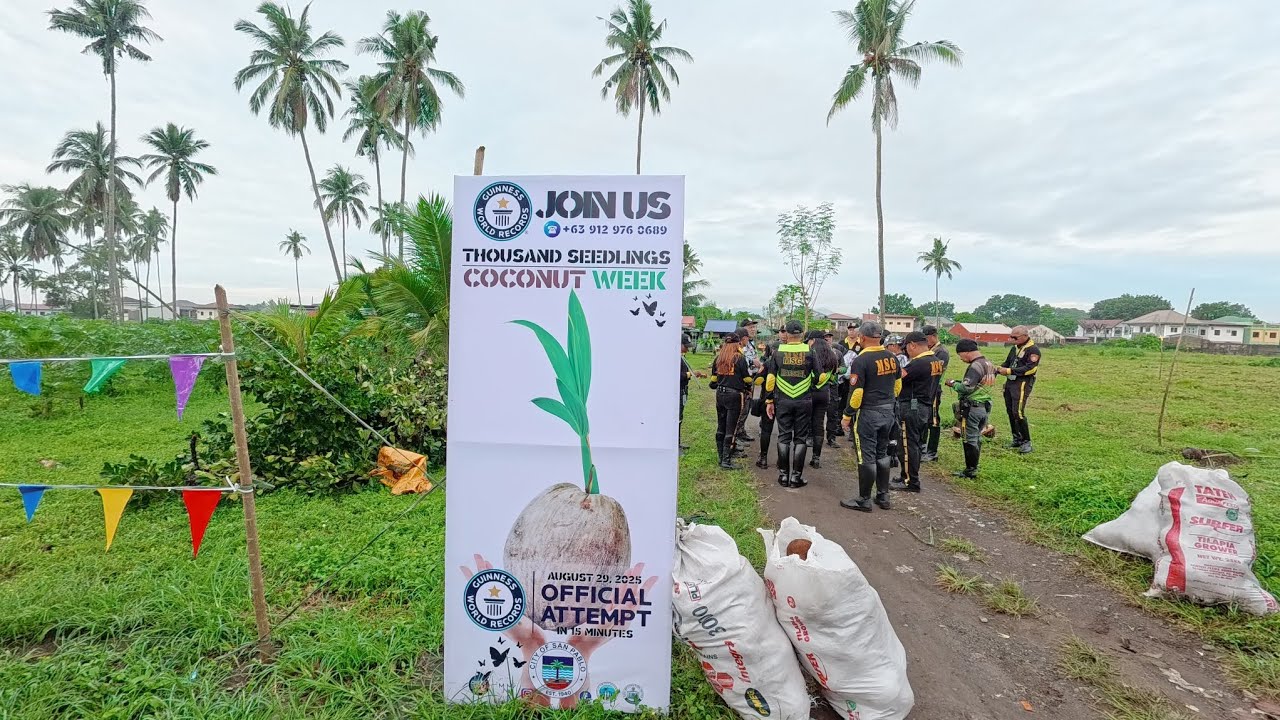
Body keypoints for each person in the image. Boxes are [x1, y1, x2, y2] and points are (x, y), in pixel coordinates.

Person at [839, 322, 901, 512]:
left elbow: (857, 393)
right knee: (882, 453)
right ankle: (883, 495)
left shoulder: (861, 360)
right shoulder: (892, 357)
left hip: (868, 413)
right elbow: (897, 386)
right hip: (888, 411)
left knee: (866, 455)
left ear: (862, 338)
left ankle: (863, 499)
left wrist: (847, 415)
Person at [764, 320, 818, 488]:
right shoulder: (810, 351)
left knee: (784, 436)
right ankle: (796, 477)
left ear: (786, 333)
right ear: (802, 334)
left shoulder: (777, 351)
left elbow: (771, 378)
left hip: (783, 399)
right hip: (803, 399)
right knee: (800, 438)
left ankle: (783, 476)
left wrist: (769, 400)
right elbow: (819, 376)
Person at [891, 332, 943, 493]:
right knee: (913, 443)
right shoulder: (935, 361)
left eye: (906, 347)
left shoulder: (919, 363)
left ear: (913, 345)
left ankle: (910, 481)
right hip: (924, 406)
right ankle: (905, 474)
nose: (907, 351)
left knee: (907, 445)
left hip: (912, 407)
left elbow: (898, 377)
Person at [945, 339, 997, 478]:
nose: (961, 359)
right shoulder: (989, 364)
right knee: (977, 437)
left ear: (966, 352)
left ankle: (970, 470)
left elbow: (967, 387)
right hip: (985, 406)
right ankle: (973, 468)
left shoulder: (975, 366)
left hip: (972, 407)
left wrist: (952, 383)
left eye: (960, 355)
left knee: (969, 439)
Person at [710, 333, 750, 470]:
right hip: (734, 396)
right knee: (731, 428)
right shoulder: (740, 358)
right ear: (737, 344)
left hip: (720, 394)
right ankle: (726, 460)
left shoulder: (718, 359)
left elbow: (713, 382)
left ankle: (721, 457)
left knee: (720, 426)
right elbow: (747, 379)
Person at [999, 325, 1041, 454]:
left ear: (1025, 336)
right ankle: (1016, 438)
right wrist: (996, 369)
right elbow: (1007, 363)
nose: (1012, 339)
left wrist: (1010, 371)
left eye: (1015, 337)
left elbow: (1030, 368)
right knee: (1010, 410)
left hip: (1022, 382)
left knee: (1018, 411)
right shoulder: (1015, 348)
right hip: (1010, 382)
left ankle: (1026, 442)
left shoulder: (1033, 350)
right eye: (1011, 336)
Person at [805, 330, 840, 469]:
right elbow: (833, 376)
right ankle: (816, 458)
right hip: (824, 393)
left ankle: (799, 456)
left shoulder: (809, 354)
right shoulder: (832, 355)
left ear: (812, 340)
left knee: (805, 422)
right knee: (819, 424)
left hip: (809, 392)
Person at [921, 325, 949, 462]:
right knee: (925, 419)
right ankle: (924, 447)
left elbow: (935, 371)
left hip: (934, 388)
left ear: (933, 336)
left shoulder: (941, 352)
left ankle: (932, 451)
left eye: (926, 339)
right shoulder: (931, 349)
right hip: (926, 388)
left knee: (934, 420)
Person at [733, 319, 762, 445]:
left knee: (746, 407)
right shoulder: (738, 344)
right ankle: (736, 436)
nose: (753, 329)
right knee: (741, 408)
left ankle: (741, 431)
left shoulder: (751, 343)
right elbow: (740, 360)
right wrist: (753, 362)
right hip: (741, 381)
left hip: (751, 378)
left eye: (754, 327)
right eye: (750, 327)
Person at [755, 338, 779, 469]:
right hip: (783, 400)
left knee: (766, 429)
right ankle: (781, 460)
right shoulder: (788, 363)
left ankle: (763, 458)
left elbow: (757, 380)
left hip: (767, 399)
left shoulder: (768, 363)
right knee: (784, 431)